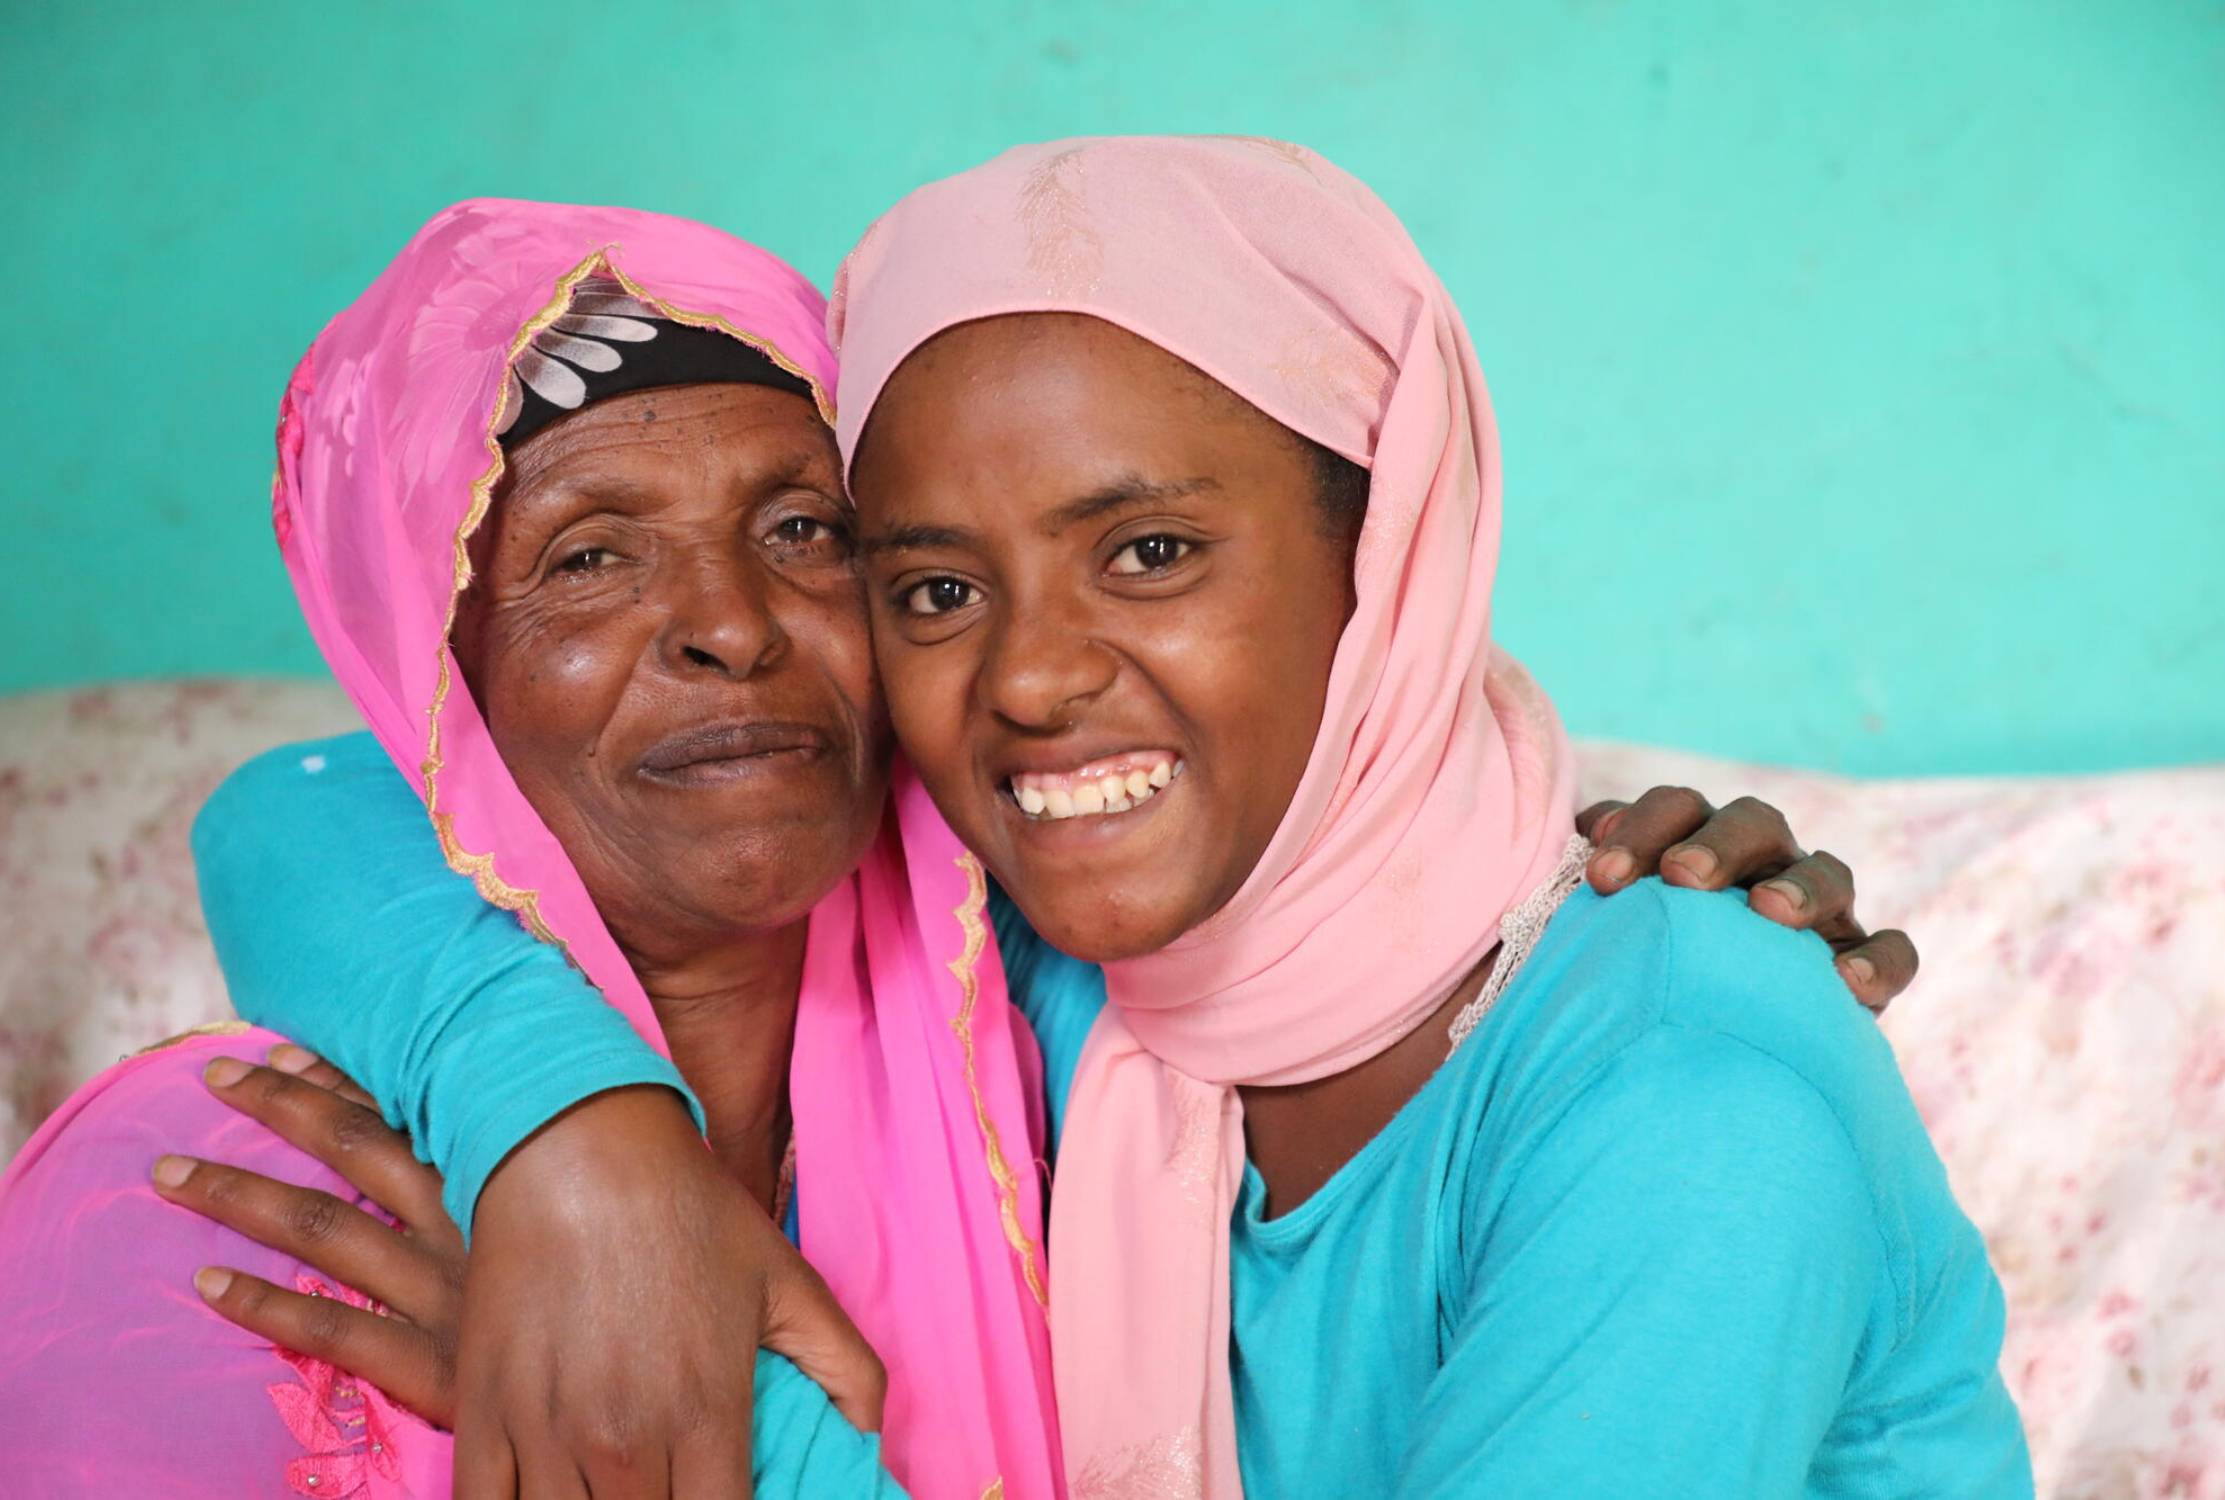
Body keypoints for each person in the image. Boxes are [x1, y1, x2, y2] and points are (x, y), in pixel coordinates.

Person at [169, 145, 1980, 1497]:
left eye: (1151, 553)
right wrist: (576, 1139)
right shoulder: (1043, 974)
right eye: (934, 588)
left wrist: (724, 1406)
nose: (1030, 678)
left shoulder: (1685, 1097)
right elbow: (313, 806)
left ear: (1392, 554)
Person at [0, 199, 1057, 1498]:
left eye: (802, 529)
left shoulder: (1064, 1081)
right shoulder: (213, 1204)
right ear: (432, 678)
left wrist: (739, 1417)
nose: (731, 625)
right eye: (590, 555)